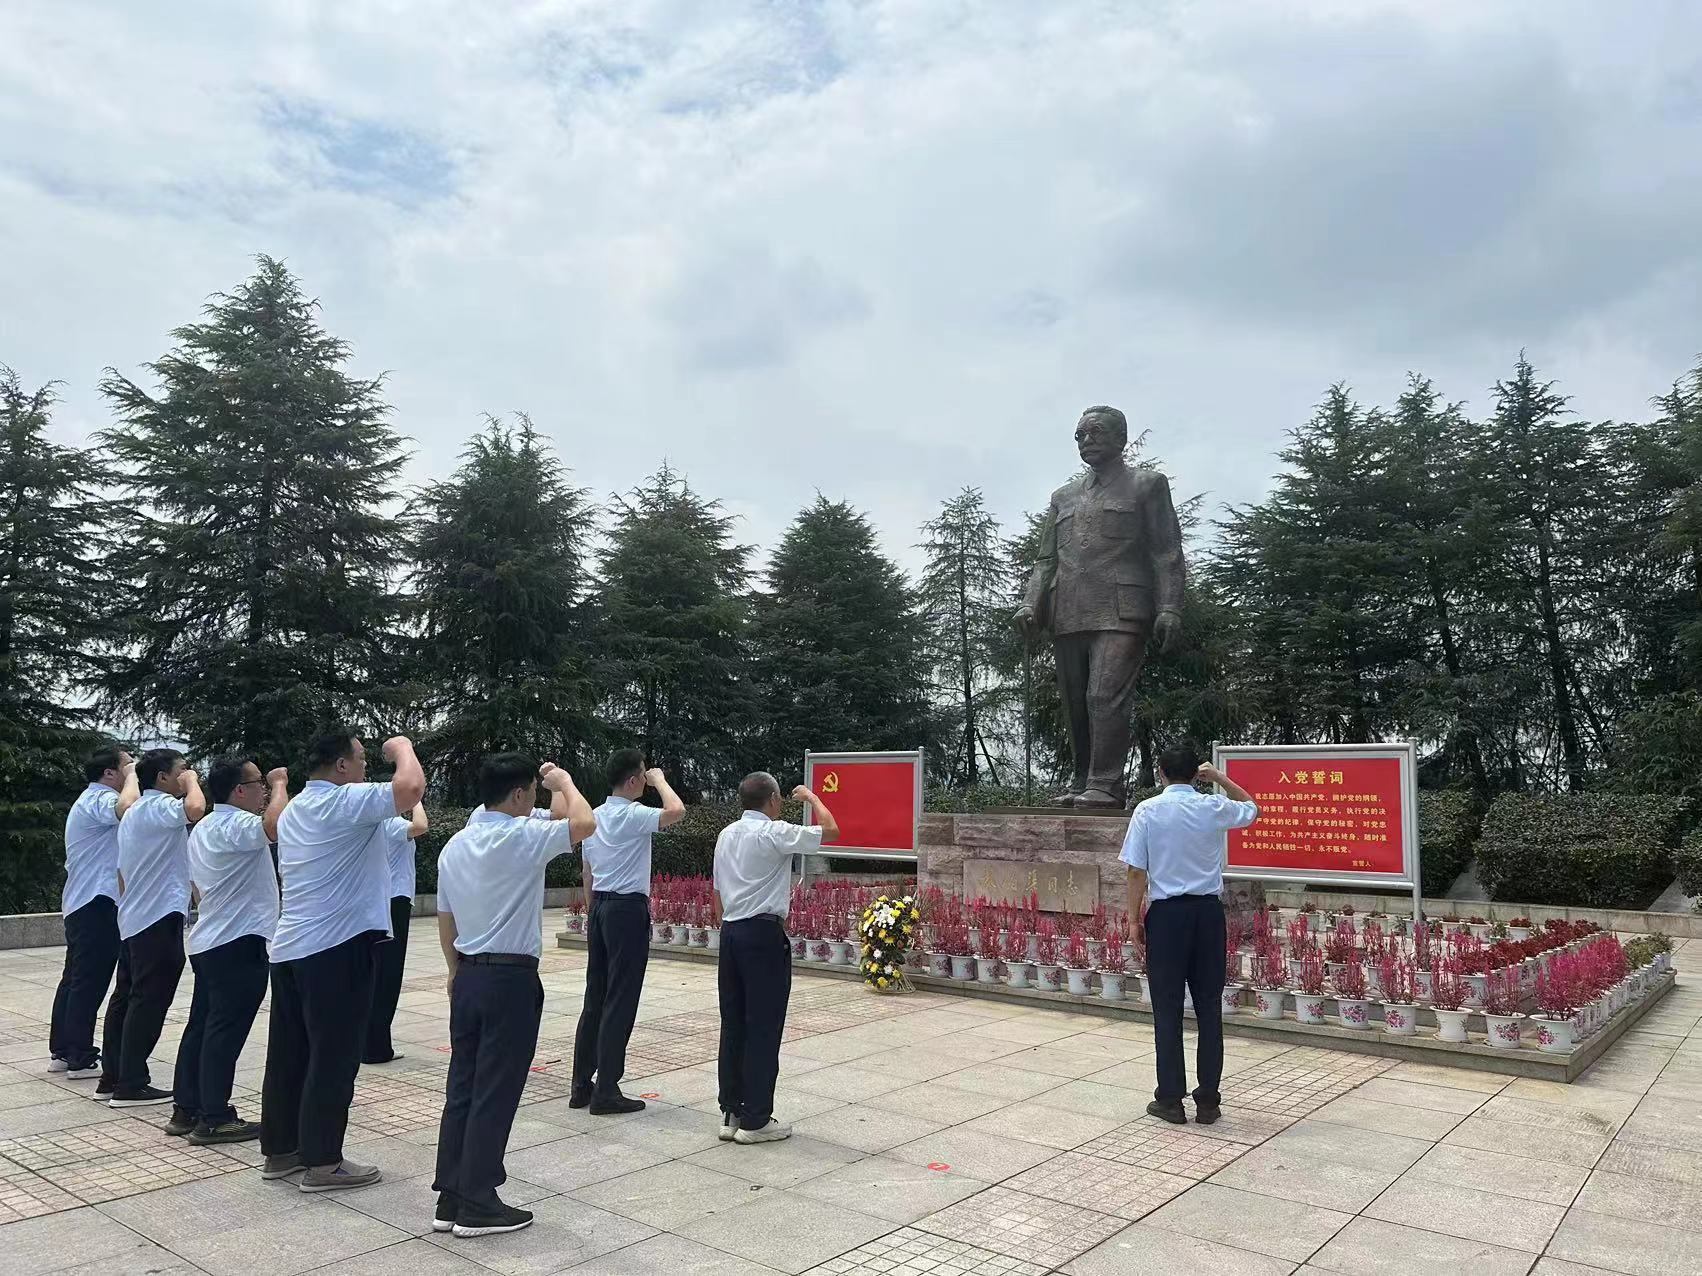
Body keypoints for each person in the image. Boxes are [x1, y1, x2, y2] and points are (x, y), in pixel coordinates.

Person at [432, 754, 595, 1238]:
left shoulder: (456, 844)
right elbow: (583, 822)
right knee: (496, 1090)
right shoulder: (521, 837)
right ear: (520, 795)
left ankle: (451, 1195)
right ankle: (479, 1200)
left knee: (462, 1086)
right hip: (510, 980)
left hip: (468, 974)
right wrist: (563, 779)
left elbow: (445, 916)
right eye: (531, 793)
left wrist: (452, 969)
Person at [259, 729, 425, 1193]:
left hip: (291, 948)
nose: (367, 765)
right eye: (362, 758)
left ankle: (282, 1151)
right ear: (341, 767)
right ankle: (323, 1160)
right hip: (337, 947)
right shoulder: (343, 802)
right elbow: (410, 789)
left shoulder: (294, 811)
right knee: (333, 1056)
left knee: (289, 1055)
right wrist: (403, 748)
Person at [1013, 405, 1187, 808]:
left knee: (1103, 694)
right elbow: (1046, 560)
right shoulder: (1064, 496)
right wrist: (1030, 604)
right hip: (1068, 609)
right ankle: (1082, 780)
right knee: (1075, 700)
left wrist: (1171, 607)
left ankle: (1106, 785)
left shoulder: (1147, 485)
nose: (1086, 440)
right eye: (1079, 435)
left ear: (1121, 438)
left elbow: (1166, 550)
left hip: (1122, 608)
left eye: (1096, 432)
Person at [1122, 742, 1259, 1126]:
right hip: (1207, 915)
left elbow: (1136, 871)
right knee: (1208, 1007)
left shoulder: (1148, 810)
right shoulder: (1212, 806)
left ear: (1161, 773)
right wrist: (1217, 777)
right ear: (1195, 774)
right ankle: (1208, 1101)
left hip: (1166, 917)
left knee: (1167, 1009)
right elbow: (1252, 808)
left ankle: (1170, 1099)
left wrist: (1134, 920)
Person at [165, 759, 289, 1144]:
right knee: (223, 1033)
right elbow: (276, 825)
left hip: (212, 940)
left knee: (203, 1027)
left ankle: (187, 1108)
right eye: (258, 784)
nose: (264, 791)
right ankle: (215, 1116)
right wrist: (282, 783)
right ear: (239, 791)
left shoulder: (203, 828)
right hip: (237, 941)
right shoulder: (237, 824)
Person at [712, 774, 837, 1144]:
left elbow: (717, 891)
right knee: (763, 1026)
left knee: (733, 1025)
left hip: (731, 933)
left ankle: (731, 1111)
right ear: (770, 801)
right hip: (762, 935)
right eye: (780, 799)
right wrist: (813, 798)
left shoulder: (726, 834)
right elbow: (830, 830)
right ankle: (756, 1119)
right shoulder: (774, 832)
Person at [571, 749, 685, 1115]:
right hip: (626, 909)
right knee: (621, 997)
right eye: (643, 777)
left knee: (596, 996)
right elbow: (676, 811)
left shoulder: (594, 816)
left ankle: (581, 1085)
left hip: (601, 906)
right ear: (635, 780)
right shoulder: (632, 814)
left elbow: (588, 873)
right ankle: (607, 1089)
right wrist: (662, 781)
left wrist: (593, 911)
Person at [102, 748, 205, 1107]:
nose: (188, 774)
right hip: (158, 916)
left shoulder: (133, 813)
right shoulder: (160, 807)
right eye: (181, 770)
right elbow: (196, 809)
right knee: (149, 1000)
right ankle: (131, 1083)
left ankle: (112, 1076)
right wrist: (192, 783)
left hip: (136, 916)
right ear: (162, 778)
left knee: (128, 997)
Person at [48, 748, 134, 1080]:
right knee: (89, 981)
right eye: (127, 765)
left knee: (75, 979)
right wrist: (137, 776)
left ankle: (64, 1050)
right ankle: (79, 1056)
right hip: (96, 901)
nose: (132, 771)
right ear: (109, 774)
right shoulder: (98, 799)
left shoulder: (88, 800)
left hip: (84, 902)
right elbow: (124, 808)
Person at [363, 801, 430, 1065]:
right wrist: (416, 801)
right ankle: (377, 1047)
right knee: (388, 978)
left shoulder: (373, 826)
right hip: (396, 900)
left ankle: (370, 1042)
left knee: (376, 975)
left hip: (380, 900)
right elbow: (422, 826)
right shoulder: (392, 824)